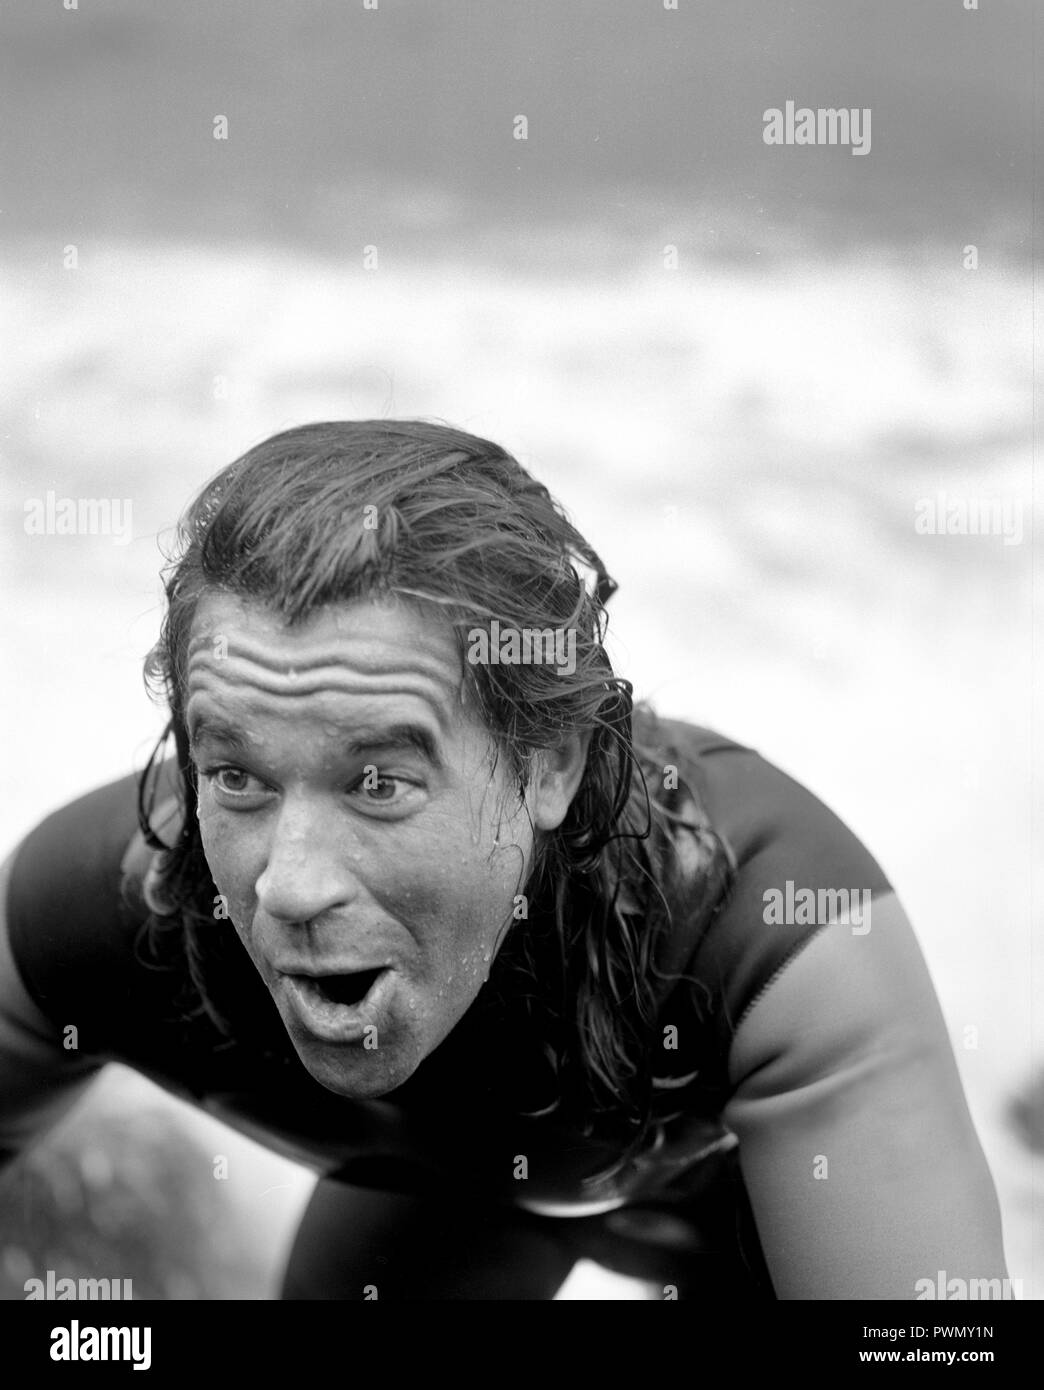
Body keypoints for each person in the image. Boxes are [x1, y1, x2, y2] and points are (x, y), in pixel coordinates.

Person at [0, 420, 1010, 1299]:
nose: (291, 886)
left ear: (547, 764)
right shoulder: (94, 916)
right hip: (450, 1200)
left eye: (379, 783)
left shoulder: (772, 939)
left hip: (737, 1210)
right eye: (239, 779)